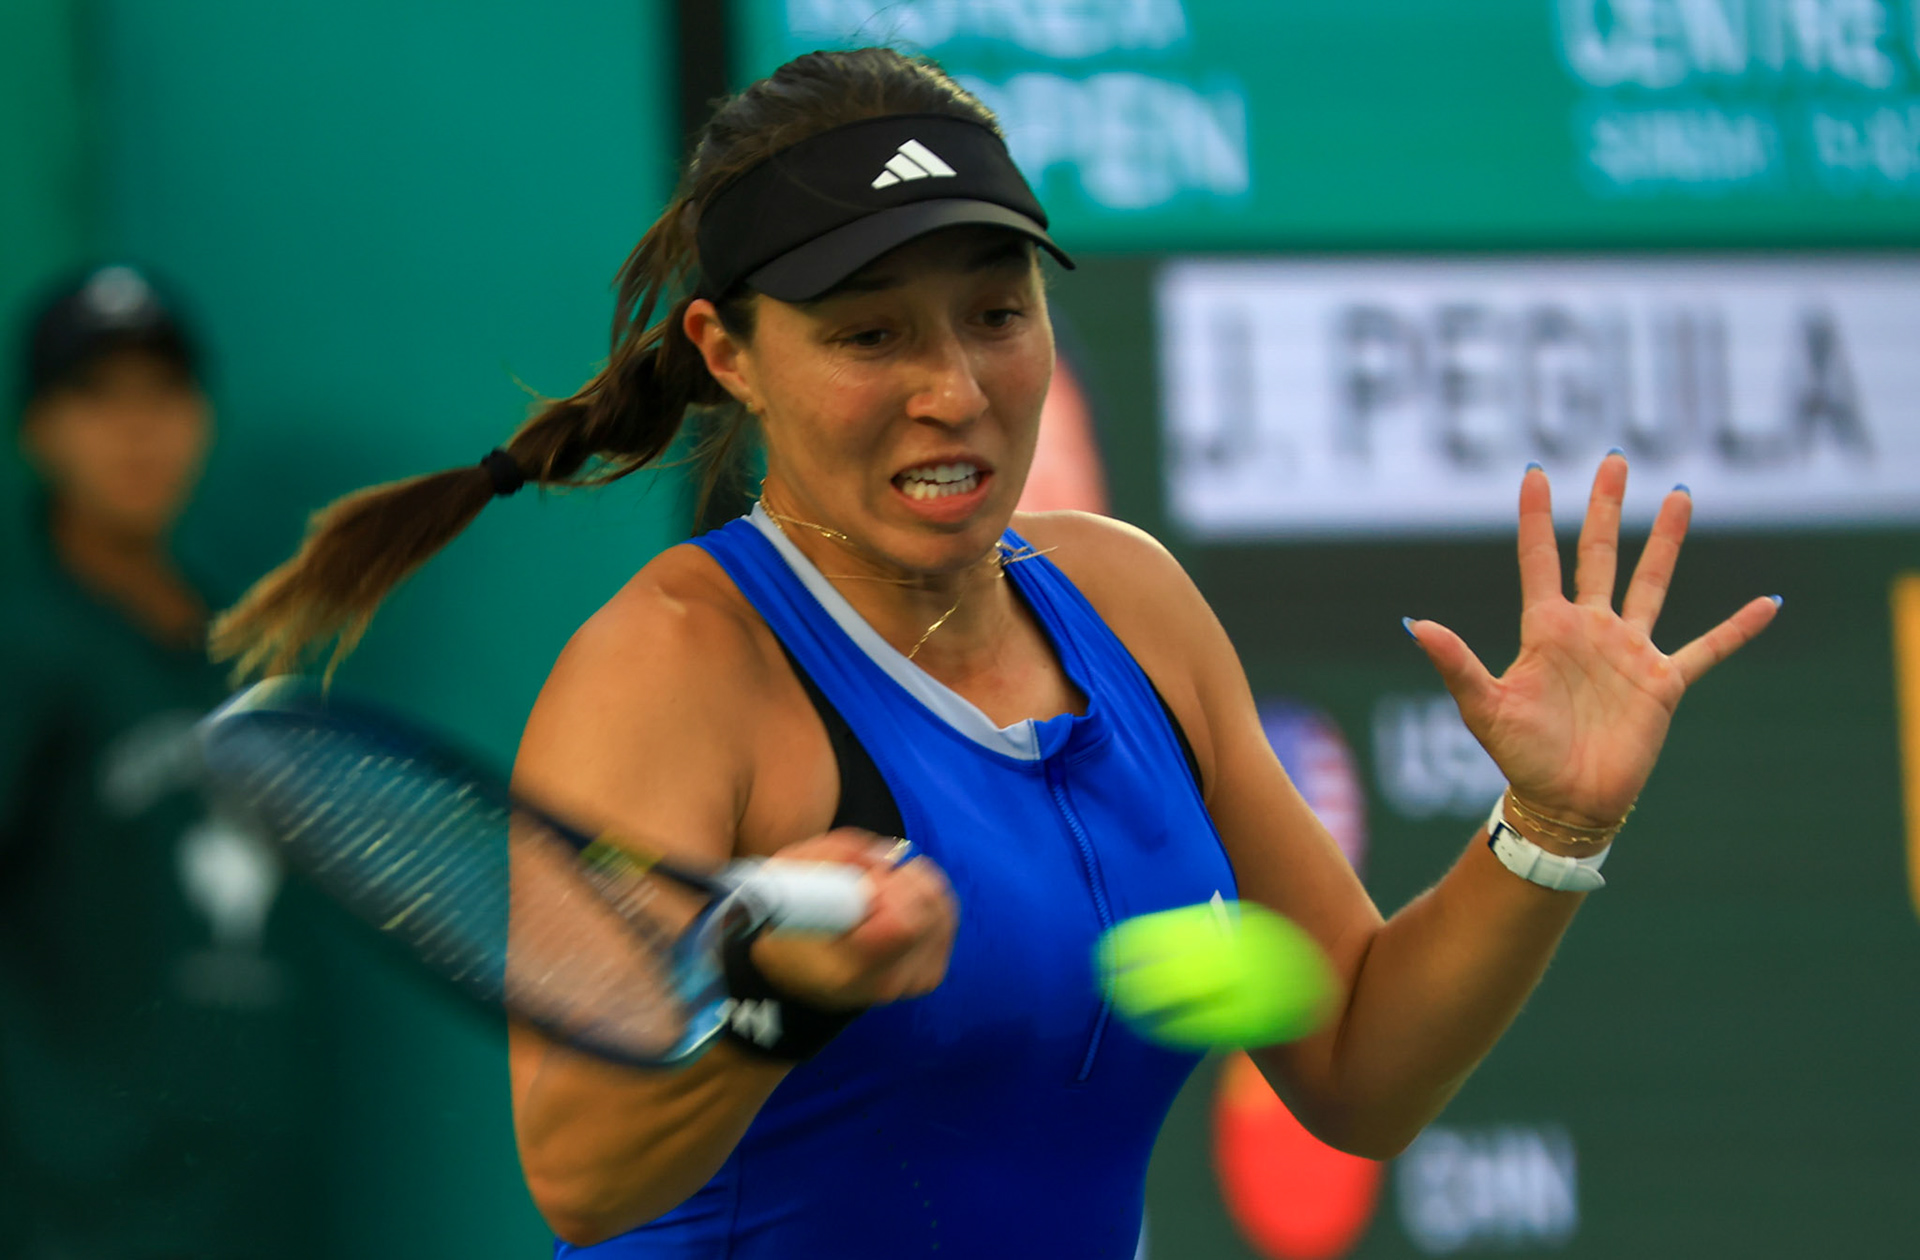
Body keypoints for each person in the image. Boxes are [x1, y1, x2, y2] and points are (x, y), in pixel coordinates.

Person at [209, 49, 1779, 1258]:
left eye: (995, 310)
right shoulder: (675, 669)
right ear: (729, 356)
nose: (956, 386)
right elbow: (582, 1170)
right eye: (872, 333)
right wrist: (777, 1003)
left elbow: (1361, 1068)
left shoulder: (1131, 604)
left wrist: (1553, 829)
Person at [0, 265, 329, 1259]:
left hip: (243, 1204)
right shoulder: (23, 638)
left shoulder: (242, 649)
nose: (136, 431)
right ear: (37, 431)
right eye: (95, 398)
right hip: (71, 1217)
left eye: (162, 395)